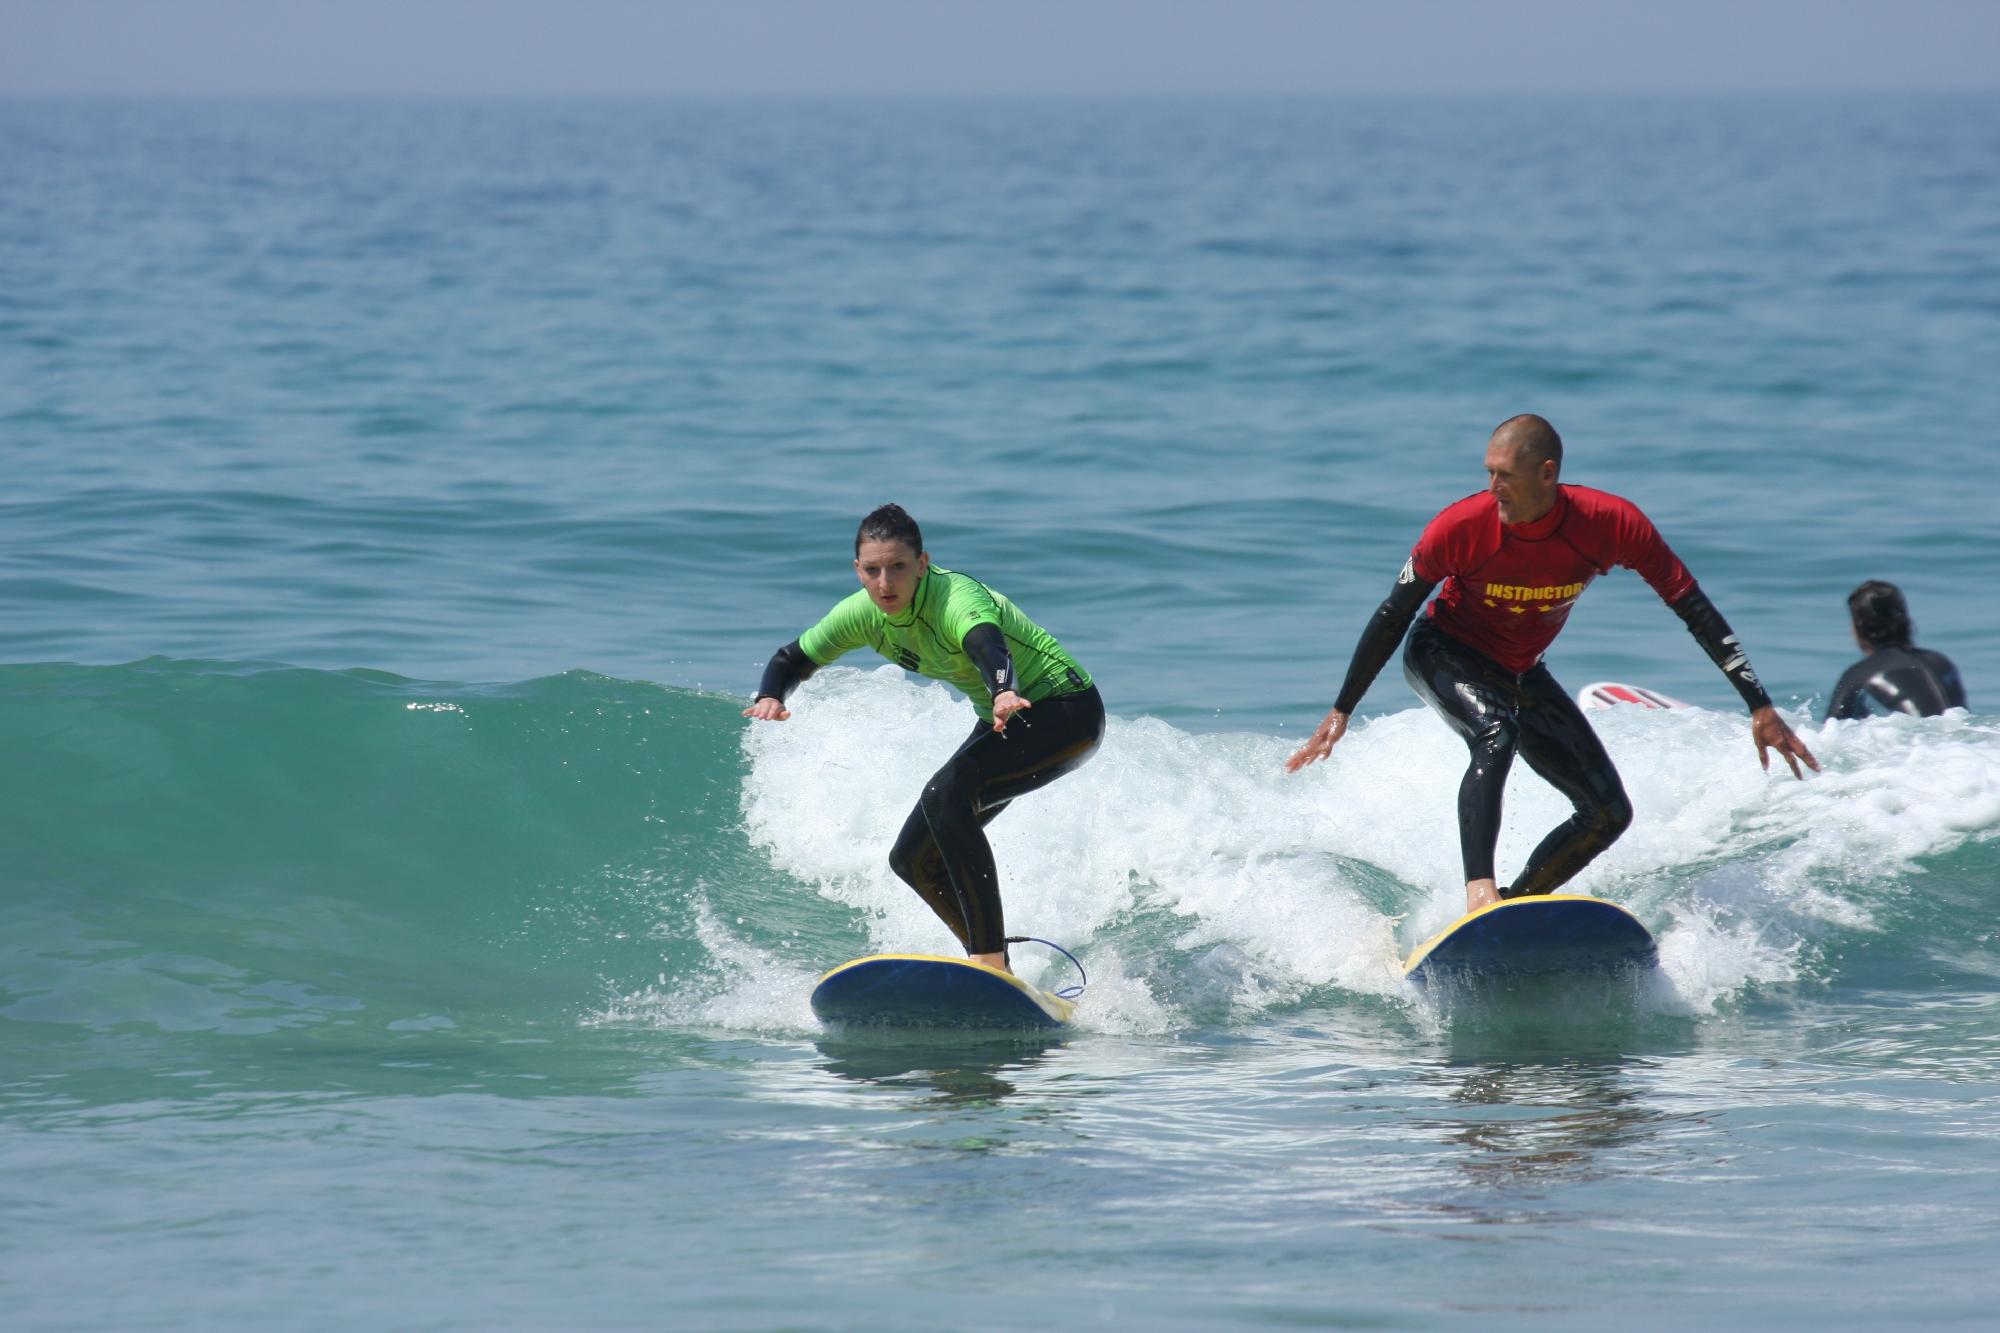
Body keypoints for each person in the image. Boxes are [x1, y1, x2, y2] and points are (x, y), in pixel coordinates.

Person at [1285, 414, 1818, 915]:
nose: (1494, 489)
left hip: (1519, 667)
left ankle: (1513, 911)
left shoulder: (1610, 523)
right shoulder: (1460, 526)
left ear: (1547, 473)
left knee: (1608, 813)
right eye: (1488, 474)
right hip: (1443, 649)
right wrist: (1342, 708)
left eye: (1505, 476)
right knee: (1496, 733)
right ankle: (1480, 894)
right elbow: (1393, 611)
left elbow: (1691, 606)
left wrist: (1759, 705)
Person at [744, 504, 1103, 974]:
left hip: (1064, 708)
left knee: (946, 796)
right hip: (1003, 718)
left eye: (898, 567)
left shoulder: (956, 598)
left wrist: (1003, 689)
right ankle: (998, 971)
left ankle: (988, 961)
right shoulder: (861, 614)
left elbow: (986, 643)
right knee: (913, 859)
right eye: (872, 570)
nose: (885, 583)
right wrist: (772, 694)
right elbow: (792, 657)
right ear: (858, 570)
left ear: (923, 563)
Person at [1824, 581, 1965, 720]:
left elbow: (1829, 733)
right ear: (1905, 620)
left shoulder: (1860, 674)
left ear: (1858, 628)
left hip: (1919, 740)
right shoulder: (1942, 663)